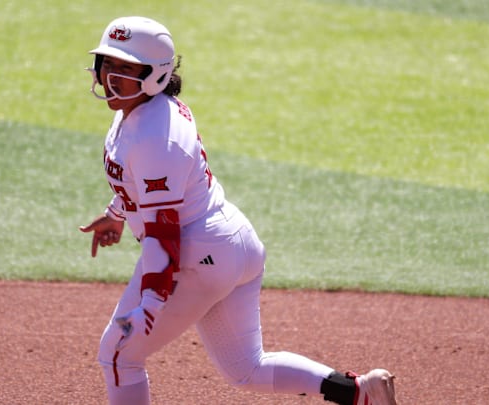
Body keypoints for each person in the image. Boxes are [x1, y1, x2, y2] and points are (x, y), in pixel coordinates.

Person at [79, 16, 398, 405]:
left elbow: (165, 235)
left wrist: (151, 300)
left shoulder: (154, 137)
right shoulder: (140, 111)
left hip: (198, 255)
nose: (111, 76)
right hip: (231, 244)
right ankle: (361, 392)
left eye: (125, 68)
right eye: (107, 64)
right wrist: (116, 214)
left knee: (119, 355)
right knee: (246, 368)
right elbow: (145, 184)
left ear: (154, 75)